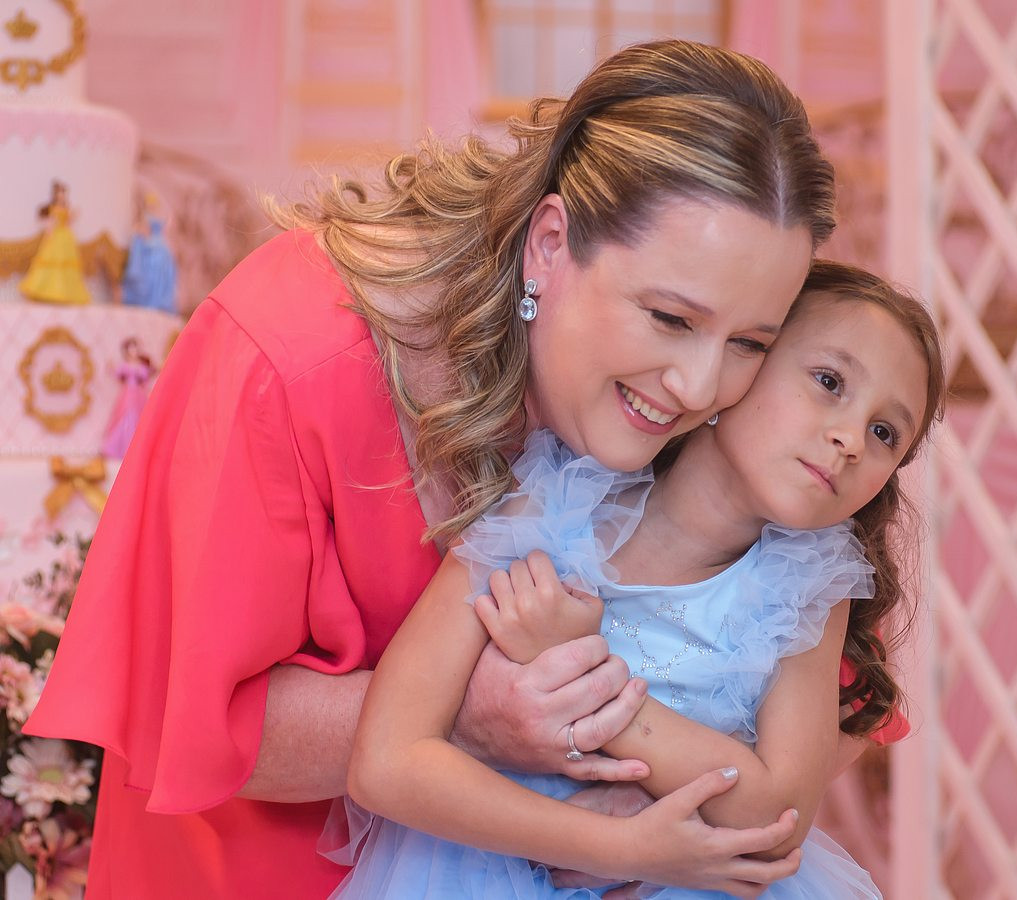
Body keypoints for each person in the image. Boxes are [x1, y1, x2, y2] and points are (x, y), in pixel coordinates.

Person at [24, 40, 836, 898]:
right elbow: (193, 717)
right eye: (670, 319)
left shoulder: (732, 411)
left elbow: (841, 701)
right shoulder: (288, 355)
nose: (700, 389)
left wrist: (644, 806)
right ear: (551, 243)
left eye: (752, 343)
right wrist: (473, 715)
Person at [331, 261, 946, 898]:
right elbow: (385, 762)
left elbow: (775, 817)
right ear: (741, 364)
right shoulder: (550, 505)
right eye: (829, 381)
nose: (851, 440)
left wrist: (580, 675)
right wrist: (624, 847)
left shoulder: (808, 585)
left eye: (884, 433)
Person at [20, 181, 93, 306]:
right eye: (59, 193)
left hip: (66, 238)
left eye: (63, 193)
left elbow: (68, 223)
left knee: (66, 266)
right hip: (56, 236)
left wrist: (73, 216)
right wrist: (49, 234)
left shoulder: (66, 208)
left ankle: (65, 294)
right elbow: (51, 222)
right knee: (51, 264)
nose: (61, 195)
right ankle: (44, 292)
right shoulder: (53, 208)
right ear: (55, 194)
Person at [120, 193, 179, 313]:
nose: (152, 206)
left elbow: (163, 230)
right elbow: (142, 231)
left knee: (162, 267)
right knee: (154, 265)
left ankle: (160, 301)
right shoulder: (146, 217)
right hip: (153, 249)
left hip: (161, 248)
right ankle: (151, 301)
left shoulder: (159, 216)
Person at [100, 337, 156, 459]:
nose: (133, 351)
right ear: (126, 351)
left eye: (135, 348)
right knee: (126, 417)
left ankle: (137, 449)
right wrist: (111, 368)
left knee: (138, 418)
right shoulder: (125, 365)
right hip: (128, 394)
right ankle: (122, 448)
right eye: (130, 348)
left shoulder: (141, 365)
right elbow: (116, 373)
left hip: (138, 395)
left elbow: (145, 377)